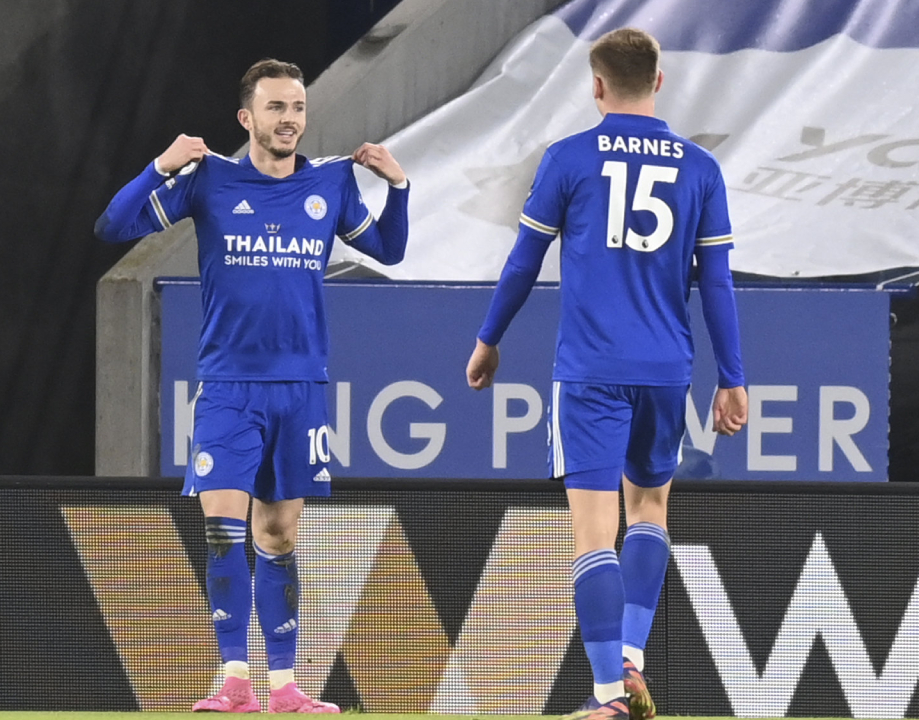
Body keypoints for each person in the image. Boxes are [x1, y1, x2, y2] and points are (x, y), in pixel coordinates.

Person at [96, 58, 410, 713]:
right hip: (229, 387)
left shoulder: (331, 181)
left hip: (300, 389)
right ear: (247, 118)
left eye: (297, 107)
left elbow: (389, 249)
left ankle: (285, 686)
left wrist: (398, 186)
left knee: (280, 537)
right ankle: (234, 678)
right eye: (275, 107)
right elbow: (113, 226)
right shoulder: (209, 179)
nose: (289, 119)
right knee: (222, 532)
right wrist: (159, 166)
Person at [465, 28, 748, 720]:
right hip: (666, 368)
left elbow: (524, 262)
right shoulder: (700, 168)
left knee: (594, 534)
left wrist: (489, 339)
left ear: (596, 85)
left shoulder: (568, 158)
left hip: (591, 369)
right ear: (658, 81)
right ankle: (631, 656)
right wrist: (733, 376)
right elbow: (716, 282)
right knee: (649, 510)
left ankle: (607, 696)